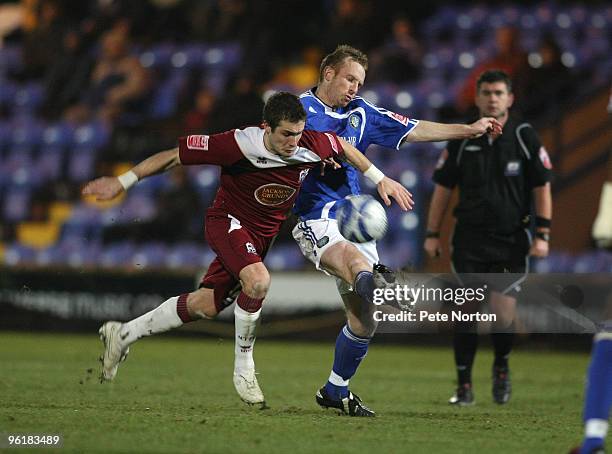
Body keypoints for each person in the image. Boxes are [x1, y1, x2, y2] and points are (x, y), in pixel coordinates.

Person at [83, 92, 413, 408]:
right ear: (266, 127)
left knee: (207, 305)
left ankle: (122, 333)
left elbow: (340, 146)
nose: (293, 142)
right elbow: (172, 156)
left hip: (261, 237)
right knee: (258, 281)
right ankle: (244, 368)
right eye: (285, 134)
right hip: (228, 222)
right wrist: (121, 182)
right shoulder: (236, 143)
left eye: (298, 134)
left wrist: (378, 177)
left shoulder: (311, 143)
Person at [287, 45, 502, 416]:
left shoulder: (361, 113)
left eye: (360, 81)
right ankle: (383, 285)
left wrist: (467, 130)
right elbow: (328, 147)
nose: (355, 87)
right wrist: (380, 178)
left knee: (363, 320)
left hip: (353, 217)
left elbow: (414, 129)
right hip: (315, 217)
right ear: (328, 74)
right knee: (358, 268)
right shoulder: (300, 112)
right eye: (349, 78)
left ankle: (336, 389)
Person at [423, 69, 553, 405]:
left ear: (510, 98)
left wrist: (543, 233)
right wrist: (432, 233)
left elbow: (542, 185)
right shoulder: (463, 137)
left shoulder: (524, 135)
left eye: (499, 93)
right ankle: (464, 384)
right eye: (486, 93)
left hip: (510, 240)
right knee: (466, 311)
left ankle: (501, 366)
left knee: (502, 313)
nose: (492, 98)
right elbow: (442, 188)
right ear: (477, 98)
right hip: (469, 239)